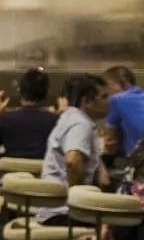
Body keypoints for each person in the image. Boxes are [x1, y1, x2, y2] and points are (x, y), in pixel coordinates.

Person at [38, 75, 111, 228]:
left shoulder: (71, 117)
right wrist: (79, 200)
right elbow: (72, 161)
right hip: (65, 214)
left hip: (55, 210)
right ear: (87, 101)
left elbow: (104, 180)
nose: (109, 102)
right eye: (104, 97)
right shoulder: (80, 124)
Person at [0, 68, 56, 162]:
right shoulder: (56, 120)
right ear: (46, 93)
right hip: (44, 175)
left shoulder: (4, 118)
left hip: (11, 175)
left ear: (20, 91)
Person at [103, 65, 144, 159]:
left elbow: (111, 143)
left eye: (106, 86)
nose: (105, 92)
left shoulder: (116, 99)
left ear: (120, 83)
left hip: (139, 162)